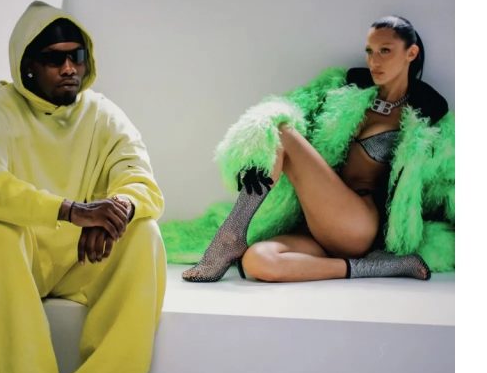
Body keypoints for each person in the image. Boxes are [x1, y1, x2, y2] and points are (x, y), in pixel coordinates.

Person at [0, 0, 167, 373]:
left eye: (76, 57)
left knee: (144, 231)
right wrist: (70, 210)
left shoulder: (103, 114)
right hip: (14, 259)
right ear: (26, 66)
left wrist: (115, 210)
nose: (69, 69)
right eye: (54, 59)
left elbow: (139, 178)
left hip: (79, 256)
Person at [173, 15, 454, 282]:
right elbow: (292, 105)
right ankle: (378, 267)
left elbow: (448, 181)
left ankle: (230, 237)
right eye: (369, 51)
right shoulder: (345, 91)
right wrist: (258, 151)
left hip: (358, 225)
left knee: (281, 132)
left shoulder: (425, 117)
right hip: (316, 223)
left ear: (411, 53)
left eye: (385, 51)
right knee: (257, 262)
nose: (374, 61)